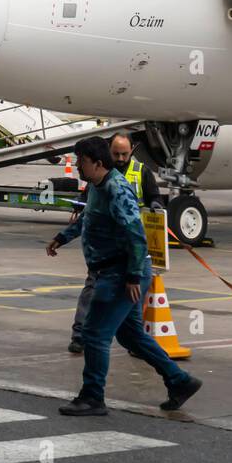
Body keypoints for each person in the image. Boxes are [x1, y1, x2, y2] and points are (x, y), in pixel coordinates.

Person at [46, 136, 201, 415]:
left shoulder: (117, 189)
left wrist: (131, 276)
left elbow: (136, 236)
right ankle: (180, 381)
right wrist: (62, 237)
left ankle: (93, 397)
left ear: (96, 162)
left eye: (81, 161)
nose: (78, 166)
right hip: (113, 271)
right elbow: (88, 218)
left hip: (120, 274)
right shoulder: (96, 186)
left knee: (94, 334)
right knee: (131, 336)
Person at [66, 133, 163, 353]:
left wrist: (134, 275)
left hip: (125, 256)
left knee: (100, 335)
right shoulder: (97, 179)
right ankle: (175, 376)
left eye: (124, 154)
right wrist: (65, 235)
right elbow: (88, 210)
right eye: (116, 154)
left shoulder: (132, 176)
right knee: (128, 329)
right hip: (108, 256)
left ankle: (89, 341)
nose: (120, 158)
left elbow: (153, 197)